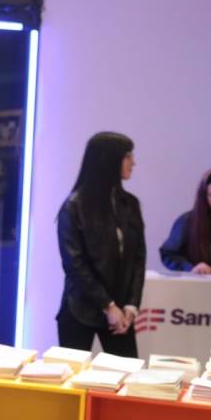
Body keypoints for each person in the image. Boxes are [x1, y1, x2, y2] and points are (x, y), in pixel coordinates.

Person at [56, 132, 145, 357]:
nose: (133, 162)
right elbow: (74, 264)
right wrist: (108, 305)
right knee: (73, 381)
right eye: (128, 156)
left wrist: (131, 307)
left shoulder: (130, 204)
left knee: (127, 381)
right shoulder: (74, 206)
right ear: (109, 159)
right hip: (80, 309)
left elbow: (138, 260)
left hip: (122, 314)